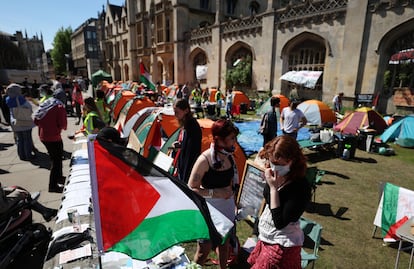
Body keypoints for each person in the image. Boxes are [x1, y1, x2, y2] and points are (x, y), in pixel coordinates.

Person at [247, 135, 312, 268]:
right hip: (266, 238)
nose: (274, 168)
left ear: (292, 160)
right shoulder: (275, 173)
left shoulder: (300, 187)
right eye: (272, 162)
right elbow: (268, 201)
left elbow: (280, 222)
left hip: (282, 244)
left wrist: (273, 188)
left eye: (279, 164)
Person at [188, 119, 239, 269]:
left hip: (227, 209)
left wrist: (235, 200)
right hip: (208, 212)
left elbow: (232, 182)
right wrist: (215, 193)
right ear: (219, 139)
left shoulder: (229, 156)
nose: (234, 142)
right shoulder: (204, 160)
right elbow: (192, 188)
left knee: (224, 245)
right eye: (231, 138)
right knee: (203, 251)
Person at [34, 89, 67, 193]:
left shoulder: (46, 104)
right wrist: (57, 128)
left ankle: (59, 178)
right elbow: (63, 125)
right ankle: (52, 186)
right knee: (56, 161)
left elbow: (36, 120)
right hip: (54, 137)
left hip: (44, 136)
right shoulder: (59, 107)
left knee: (56, 158)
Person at [172, 99, 202, 184]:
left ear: (186, 111)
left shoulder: (192, 127)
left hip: (188, 168)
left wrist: (185, 178)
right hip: (183, 166)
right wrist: (180, 145)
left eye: (177, 112)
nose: (175, 115)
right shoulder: (186, 124)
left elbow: (191, 153)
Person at [5, 83, 35, 161]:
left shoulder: (8, 99)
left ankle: (21, 155)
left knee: (19, 140)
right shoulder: (20, 99)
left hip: (15, 122)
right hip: (24, 122)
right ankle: (28, 155)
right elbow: (29, 108)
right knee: (27, 139)